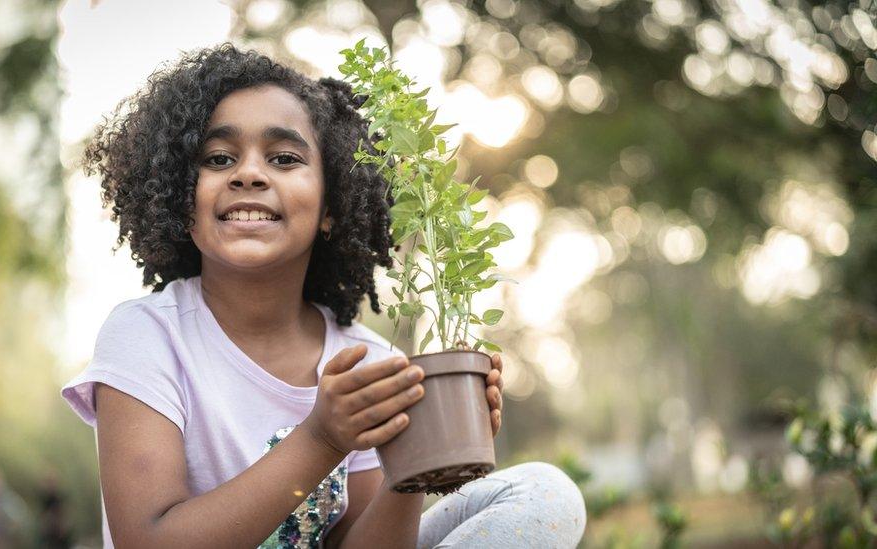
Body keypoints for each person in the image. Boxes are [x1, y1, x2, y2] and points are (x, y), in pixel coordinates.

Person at [61, 42, 585, 548]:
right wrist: (321, 438)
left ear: (331, 205)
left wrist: (413, 465)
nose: (248, 173)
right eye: (218, 159)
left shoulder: (366, 363)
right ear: (180, 198)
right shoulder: (148, 336)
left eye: (284, 158)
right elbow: (147, 541)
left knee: (541, 492)